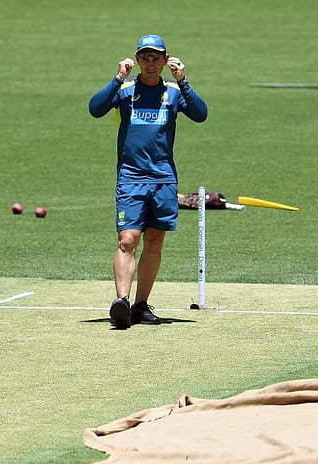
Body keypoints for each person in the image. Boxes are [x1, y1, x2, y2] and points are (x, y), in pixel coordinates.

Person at [89, 34, 208, 329]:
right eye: (145, 57)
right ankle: (122, 302)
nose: (151, 63)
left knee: (154, 241)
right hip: (131, 178)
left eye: (156, 57)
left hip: (163, 179)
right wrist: (117, 78)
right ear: (138, 59)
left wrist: (184, 80)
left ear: (165, 60)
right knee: (128, 239)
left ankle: (141, 306)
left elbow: (201, 114)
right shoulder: (126, 90)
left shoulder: (173, 92)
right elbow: (95, 108)